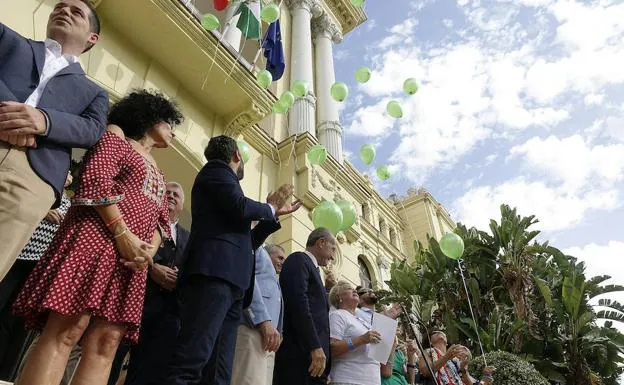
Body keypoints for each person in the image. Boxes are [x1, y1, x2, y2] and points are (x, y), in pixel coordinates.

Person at [12, 89, 183, 385]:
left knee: (107, 343)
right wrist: (123, 234)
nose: (173, 133)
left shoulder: (158, 169)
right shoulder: (116, 137)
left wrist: (147, 253)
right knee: (67, 329)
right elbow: (95, 179)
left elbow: (162, 222)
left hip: (131, 263)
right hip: (96, 241)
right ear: (151, 116)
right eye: (169, 123)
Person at [159, 135, 296, 385]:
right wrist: (270, 208)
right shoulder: (216, 171)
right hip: (212, 277)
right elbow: (241, 205)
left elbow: (245, 245)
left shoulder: (225, 192)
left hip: (232, 284)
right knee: (193, 358)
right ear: (236, 156)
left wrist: (271, 218)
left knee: (219, 369)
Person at [0, 0, 109, 280]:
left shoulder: (94, 92)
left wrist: (44, 120)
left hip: (32, 176)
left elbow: (93, 129)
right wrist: (11, 113)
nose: (64, 11)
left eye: (76, 12)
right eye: (59, 6)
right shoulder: (8, 39)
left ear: (92, 38)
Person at [107, 181, 190, 385]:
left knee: (151, 368)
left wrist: (181, 277)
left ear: (182, 205)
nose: (171, 196)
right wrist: (152, 268)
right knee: (112, 355)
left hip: (168, 312)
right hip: (133, 299)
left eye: (176, 194)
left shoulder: (189, 238)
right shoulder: (145, 220)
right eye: (167, 192)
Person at [0, 172, 72, 382]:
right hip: (17, 256)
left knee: (16, 322)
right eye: (64, 172)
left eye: (68, 174)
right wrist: (42, 210)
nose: (66, 176)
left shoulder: (69, 203)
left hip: (39, 268)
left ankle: (6, 374)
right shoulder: (41, 189)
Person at [274, 228, 337, 385]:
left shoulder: (314, 271)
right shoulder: (299, 260)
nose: (333, 256)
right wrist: (314, 346)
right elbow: (299, 304)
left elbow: (318, 312)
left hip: (315, 363)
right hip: (300, 356)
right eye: (333, 249)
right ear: (321, 243)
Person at [230, 242, 295, 385]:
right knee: (246, 379)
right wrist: (263, 321)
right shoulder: (259, 251)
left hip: (269, 340)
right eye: (280, 258)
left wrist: (279, 331)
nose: (282, 262)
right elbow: (250, 285)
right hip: (252, 329)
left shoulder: (274, 278)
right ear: (268, 253)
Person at [326, 281, 382, 385]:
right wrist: (361, 340)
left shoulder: (362, 321)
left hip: (373, 380)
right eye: (348, 288)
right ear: (338, 297)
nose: (354, 290)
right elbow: (332, 349)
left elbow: (378, 355)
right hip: (349, 379)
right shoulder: (337, 315)